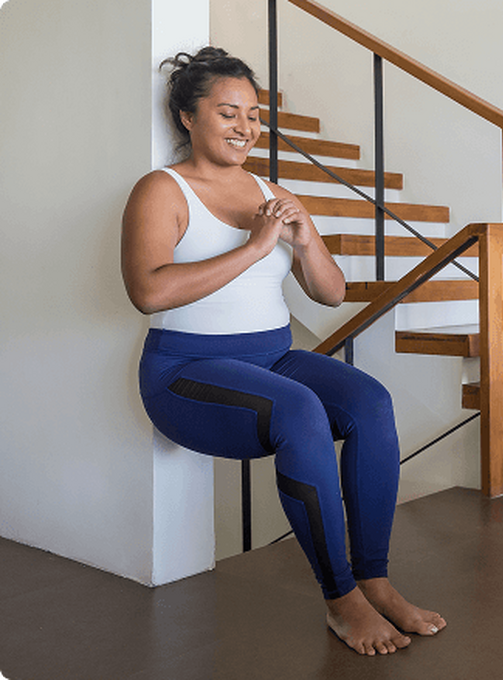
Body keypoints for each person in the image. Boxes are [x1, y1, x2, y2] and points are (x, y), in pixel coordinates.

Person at [121, 46, 445, 656]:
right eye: (228, 112)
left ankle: (374, 578)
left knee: (369, 399)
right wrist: (253, 245)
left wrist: (300, 239)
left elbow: (331, 292)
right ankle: (340, 598)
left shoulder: (270, 190)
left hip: (272, 358)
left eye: (253, 113)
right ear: (188, 118)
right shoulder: (162, 189)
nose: (245, 126)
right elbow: (147, 291)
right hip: (185, 371)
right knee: (299, 410)